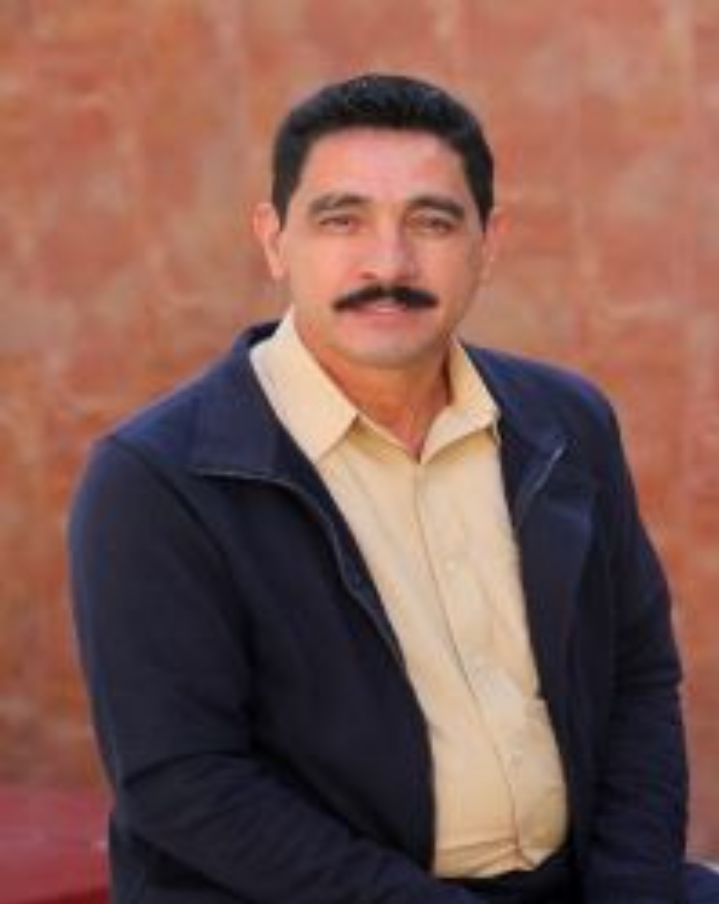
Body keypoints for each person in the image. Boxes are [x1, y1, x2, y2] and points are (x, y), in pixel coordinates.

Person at [69, 73, 719, 904]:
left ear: (487, 242)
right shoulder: (154, 478)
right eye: (341, 220)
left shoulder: (566, 423)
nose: (388, 263)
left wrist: (630, 892)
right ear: (274, 240)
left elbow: (636, 677)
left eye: (431, 221)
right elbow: (183, 781)